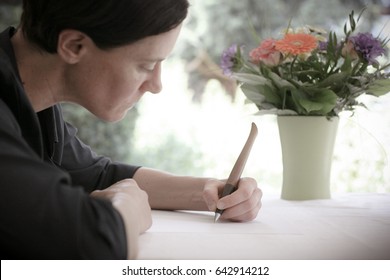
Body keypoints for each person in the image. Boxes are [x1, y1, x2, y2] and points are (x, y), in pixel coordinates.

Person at [0, 0, 262, 259]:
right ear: (74, 46)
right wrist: (125, 208)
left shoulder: (34, 101)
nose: (156, 84)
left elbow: (98, 176)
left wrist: (214, 192)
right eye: (146, 65)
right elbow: (95, 244)